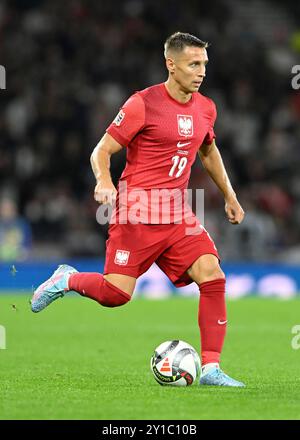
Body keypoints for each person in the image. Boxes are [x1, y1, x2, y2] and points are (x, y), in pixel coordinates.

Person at [31, 32, 245, 387]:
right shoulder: (142, 104)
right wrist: (104, 181)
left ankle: (210, 369)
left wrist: (230, 195)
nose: (202, 71)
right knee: (116, 295)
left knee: (213, 275)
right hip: (136, 213)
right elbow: (101, 151)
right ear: (171, 64)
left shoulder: (206, 107)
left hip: (177, 214)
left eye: (204, 63)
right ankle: (66, 279)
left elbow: (208, 151)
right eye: (194, 64)